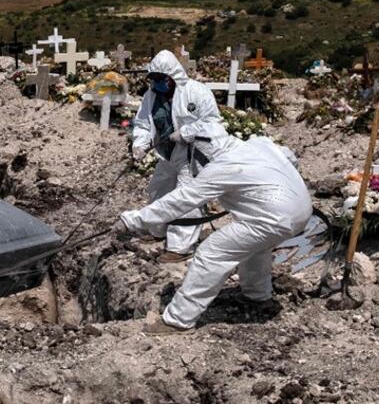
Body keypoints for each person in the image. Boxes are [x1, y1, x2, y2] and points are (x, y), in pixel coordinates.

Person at [117, 134, 313, 334]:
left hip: (273, 218)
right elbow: (289, 157)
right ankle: (257, 296)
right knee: (256, 247)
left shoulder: (220, 168)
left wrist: (132, 220)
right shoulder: (258, 144)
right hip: (302, 210)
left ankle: (177, 321)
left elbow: (181, 200)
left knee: (212, 253)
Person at [130, 50, 225, 262]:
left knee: (186, 197)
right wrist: (139, 143)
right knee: (158, 190)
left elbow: (212, 124)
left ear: (173, 77)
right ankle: (157, 229)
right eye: (153, 80)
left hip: (191, 154)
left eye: (161, 79)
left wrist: (186, 132)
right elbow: (144, 123)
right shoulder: (151, 96)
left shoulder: (196, 92)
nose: (157, 84)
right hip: (167, 155)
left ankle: (180, 247)